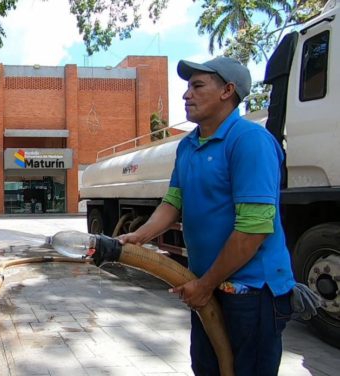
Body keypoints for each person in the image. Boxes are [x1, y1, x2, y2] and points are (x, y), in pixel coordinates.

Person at [117, 57, 295, 375]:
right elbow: (173, 204)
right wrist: (139, 237)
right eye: (188, 87)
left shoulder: (249, 141)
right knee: (207, 368)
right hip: (207, 288)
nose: (186, 95)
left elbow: (253, 230)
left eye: (197, 86)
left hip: (250, 293)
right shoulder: (188, 146)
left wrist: (204, 284)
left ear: (228, 91)